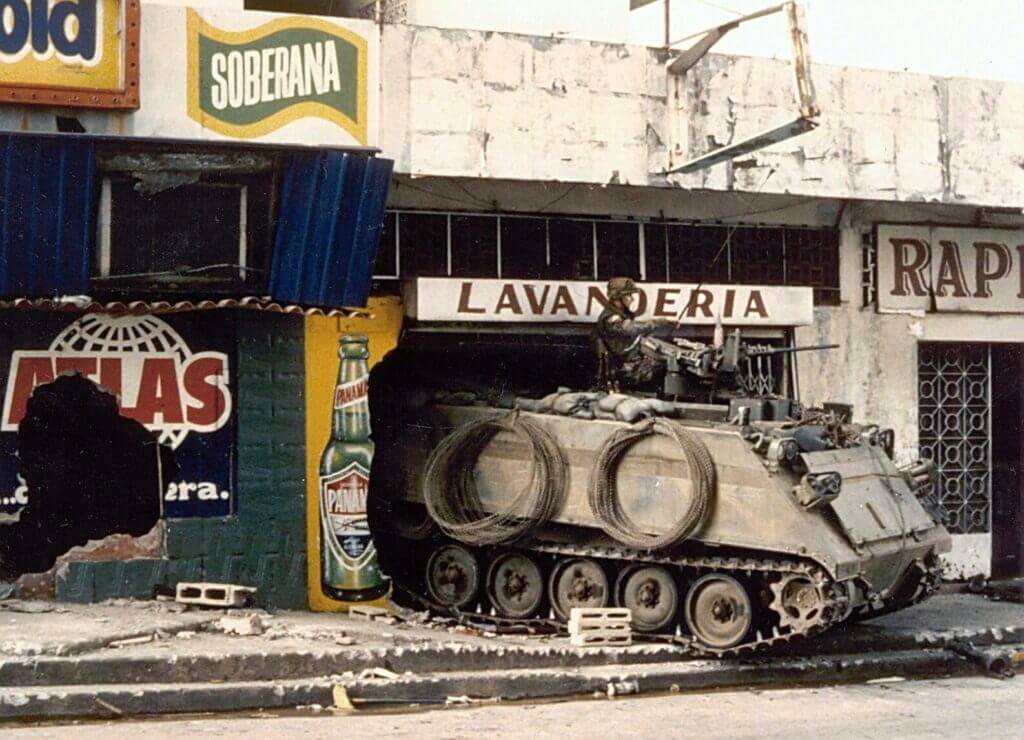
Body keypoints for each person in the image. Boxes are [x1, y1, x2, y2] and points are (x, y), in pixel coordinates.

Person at [594, 277, 666, 390]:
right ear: (618, 297)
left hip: (629, 362)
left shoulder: (621, 314)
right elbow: (632, 329)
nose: (632, 299)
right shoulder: (611, 317)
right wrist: (658, 322)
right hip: (625, 368)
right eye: (629, 295)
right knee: (664, 362)